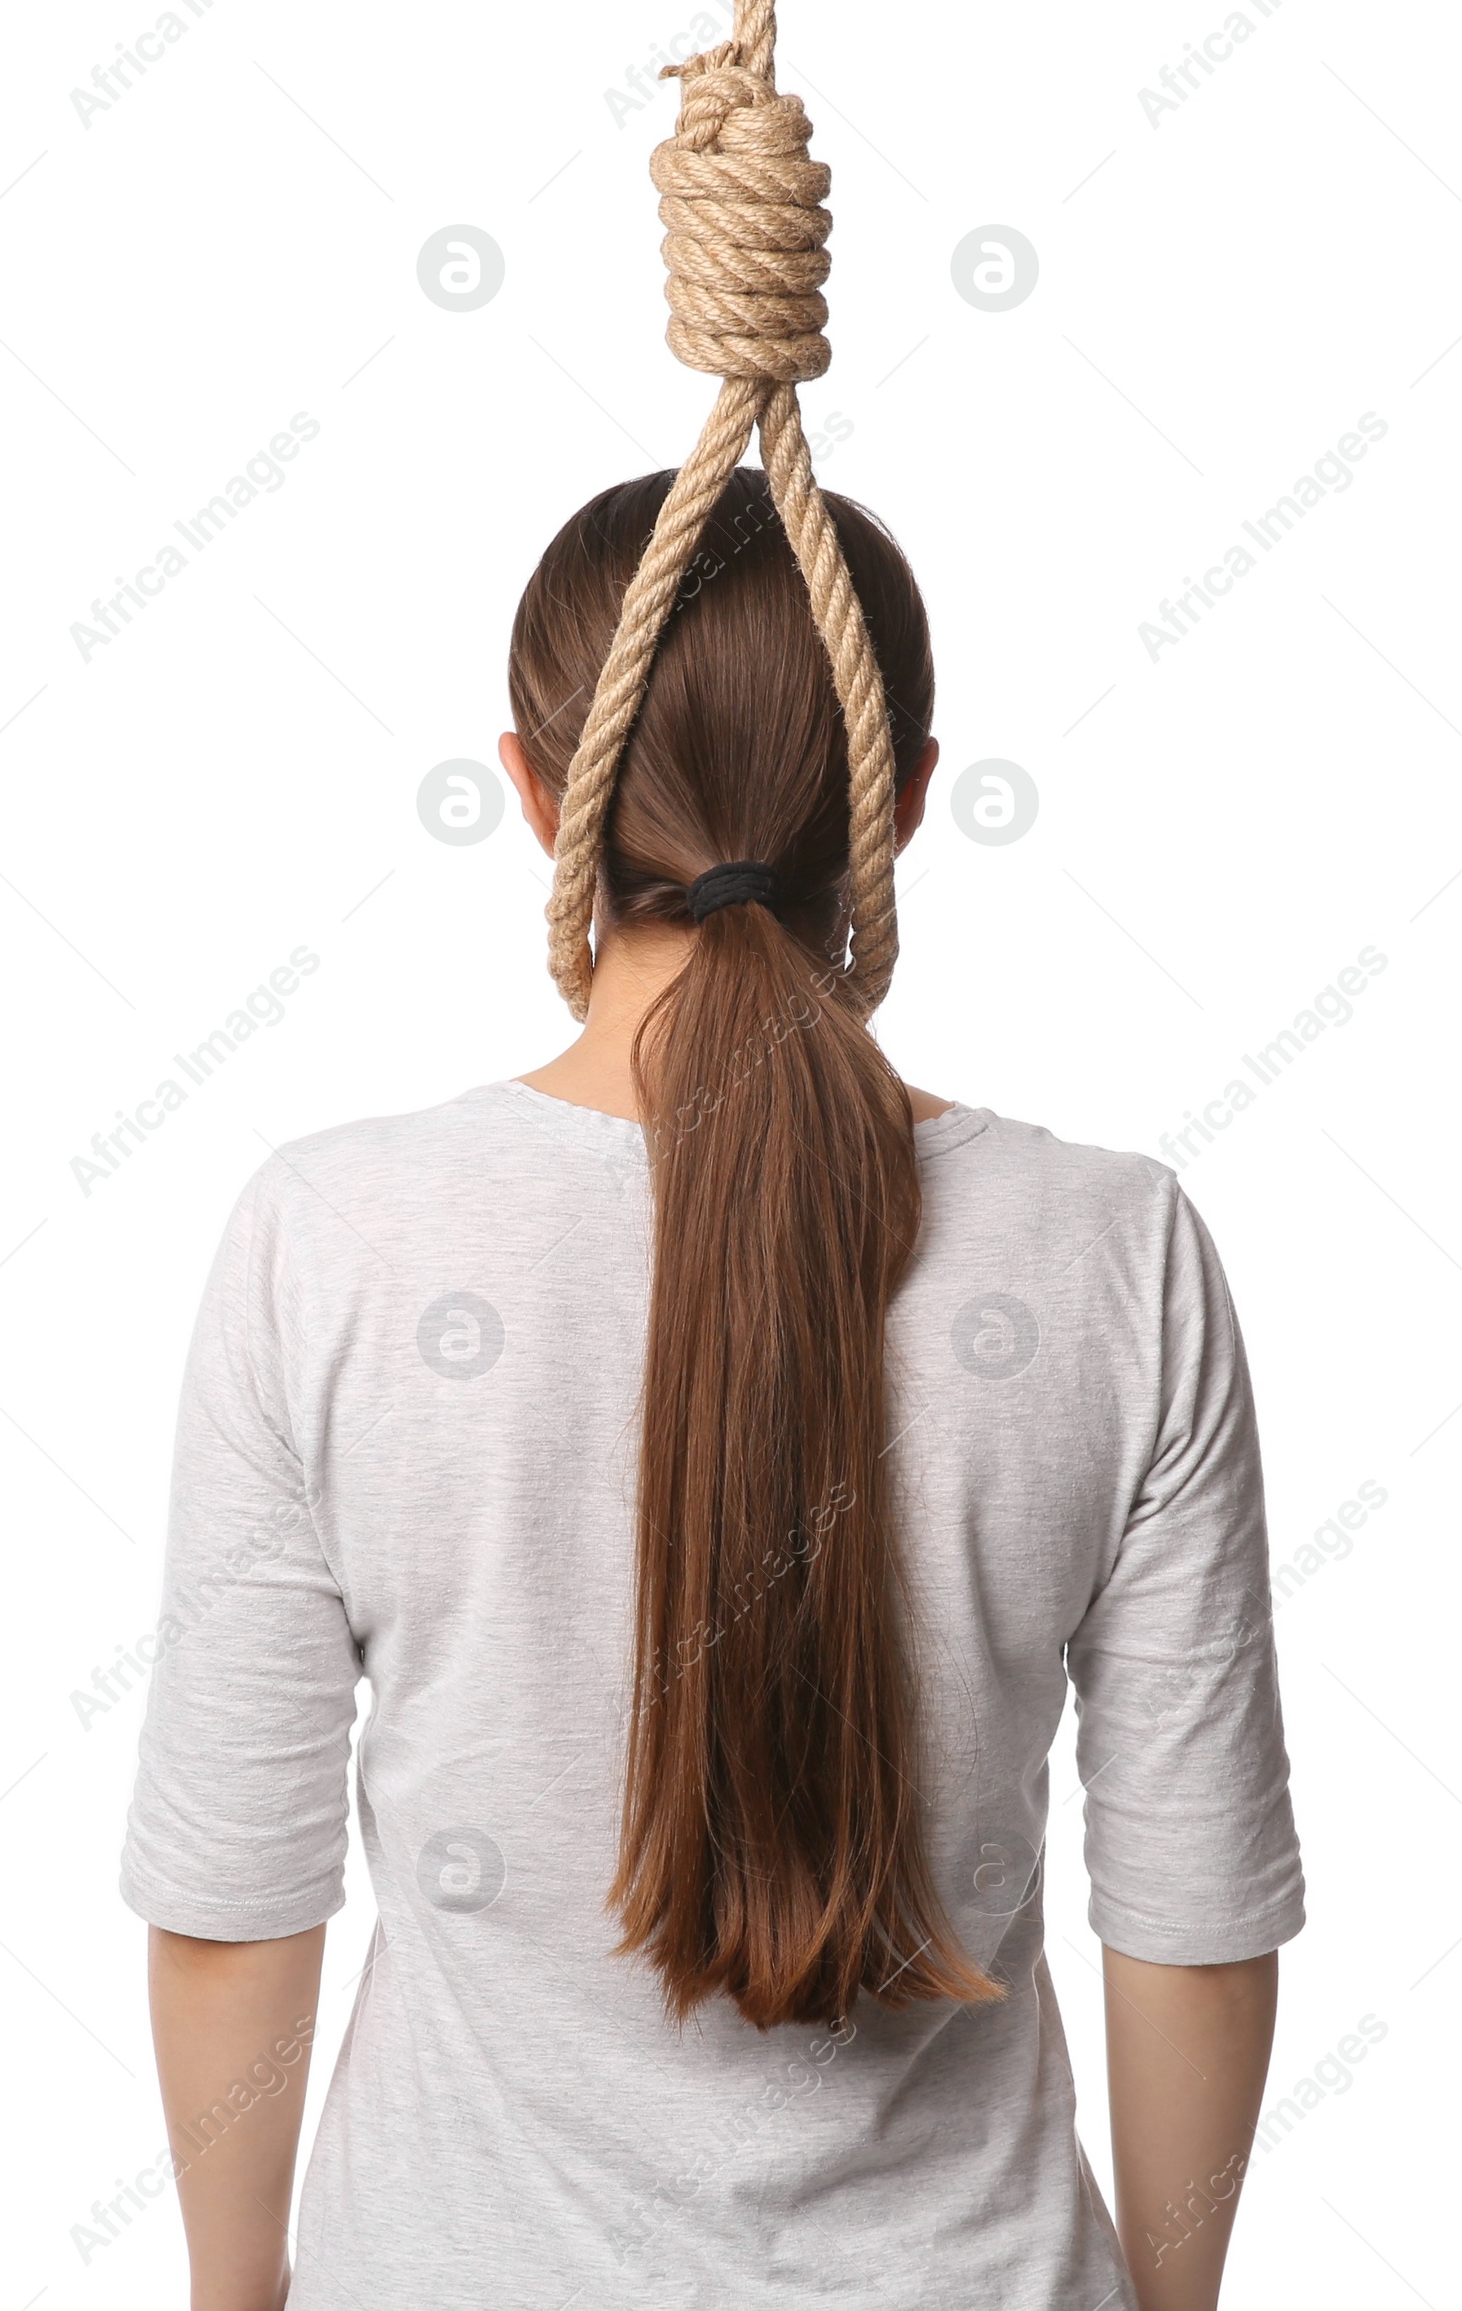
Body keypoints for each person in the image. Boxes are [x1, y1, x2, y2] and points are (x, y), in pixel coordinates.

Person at [125, 468, 1304, 2311]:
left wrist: (230, 2295)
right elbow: (1194, 1929)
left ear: (536, 792)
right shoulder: (1115, 1250)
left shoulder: (329, 1237)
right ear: (904, 799)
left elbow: (231, 1906)